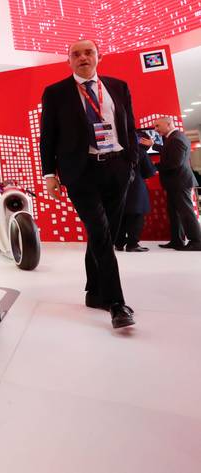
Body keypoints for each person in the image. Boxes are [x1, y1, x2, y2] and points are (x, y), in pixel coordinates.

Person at [40, 39, 136, 329]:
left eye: (88, 52)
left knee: (105, 233)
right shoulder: (56, 93)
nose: (82, 57)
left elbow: (128, 125)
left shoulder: (118, 86)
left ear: (99, 57)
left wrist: (131, 162)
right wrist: (49, 175)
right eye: (75, 54)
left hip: (117, 168)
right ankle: (116, 304)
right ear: (68, 61)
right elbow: (48, 136)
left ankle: (94, 293)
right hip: (81, 173)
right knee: (101, 233)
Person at [142, 116, 201, 251]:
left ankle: (197, 241)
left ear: (168, 124)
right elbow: (170, 152)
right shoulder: (174, 137)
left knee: (186, 213)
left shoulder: (176, 138)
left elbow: (175, 162)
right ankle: (177, 241)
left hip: (179, 182)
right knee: (175, 213)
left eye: (158, 126)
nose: (156, 129)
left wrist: (155, 166)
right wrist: (153, 145)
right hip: (175, 183)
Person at [115, 143, 156, 252]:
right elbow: (149, 172)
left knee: (120, 216)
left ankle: (119, 243)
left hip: (116, 188)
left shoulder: (114, 150)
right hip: (136, 187)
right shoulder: (139, 150)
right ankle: (132, 244)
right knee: (136, 216)